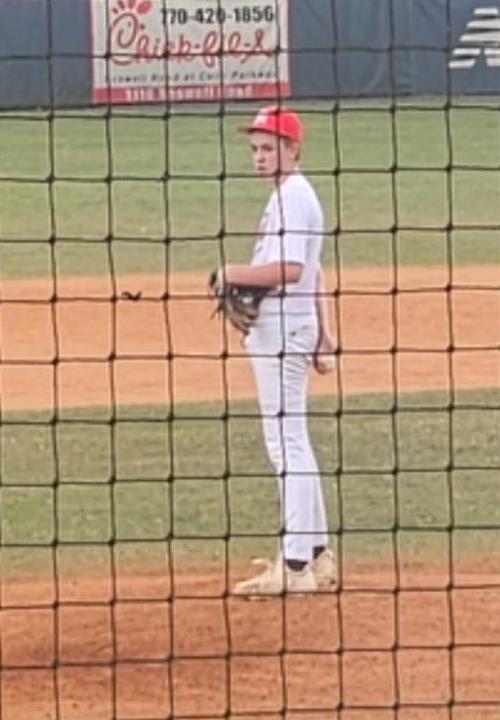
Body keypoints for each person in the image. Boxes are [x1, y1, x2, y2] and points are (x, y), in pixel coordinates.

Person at [219, 105, 336, 597]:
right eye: (255, 148)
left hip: (283, 330)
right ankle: (315, 554)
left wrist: (229, 273)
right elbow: (315, 268)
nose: (259, 156)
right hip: (289, 327)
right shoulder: (289, 195)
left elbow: (291, 270)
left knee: (286, 443)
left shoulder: (294, 197)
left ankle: (294, 566)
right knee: (294, 439)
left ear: (293, 149)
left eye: (269, 148)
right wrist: (325, 333)